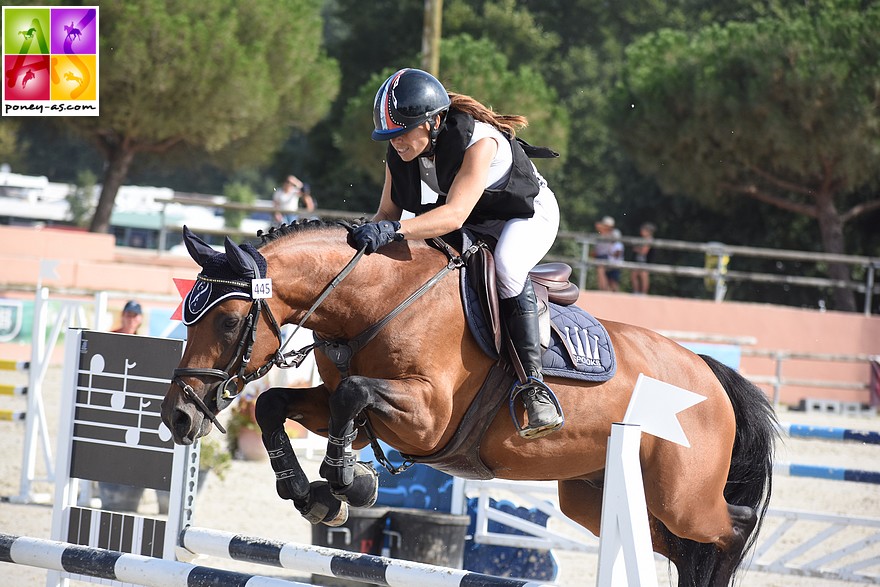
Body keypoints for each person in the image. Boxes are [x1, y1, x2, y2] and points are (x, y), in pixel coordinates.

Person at [350, 68, 563, 439]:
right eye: (388, 135)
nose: (394, 142)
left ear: (432, 122)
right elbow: (387, 215)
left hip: (526, 213)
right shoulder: (402, 149)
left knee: (509, 268)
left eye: (401, 132)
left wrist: (395, 231)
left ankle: (534, 387)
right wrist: (360, 244)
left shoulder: (479, 141)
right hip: (476, 215)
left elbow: (454, 214)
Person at [592, 216, 616, 291]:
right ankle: (603, 289)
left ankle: (604, 289)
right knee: (601, 273)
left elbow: (598, 226)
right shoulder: (605, 232)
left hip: (604, 255)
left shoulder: (611, 233)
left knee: (601, 272)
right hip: (600, 255)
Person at [631, 222, 656, 295]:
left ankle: (644, 293)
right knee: (634, 275)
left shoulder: (649, 240)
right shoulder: (643, 239)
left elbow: (644, 251)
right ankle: (636, 292)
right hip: (639, 260)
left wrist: (637, 249)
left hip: (645, 261)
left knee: (644, 276)